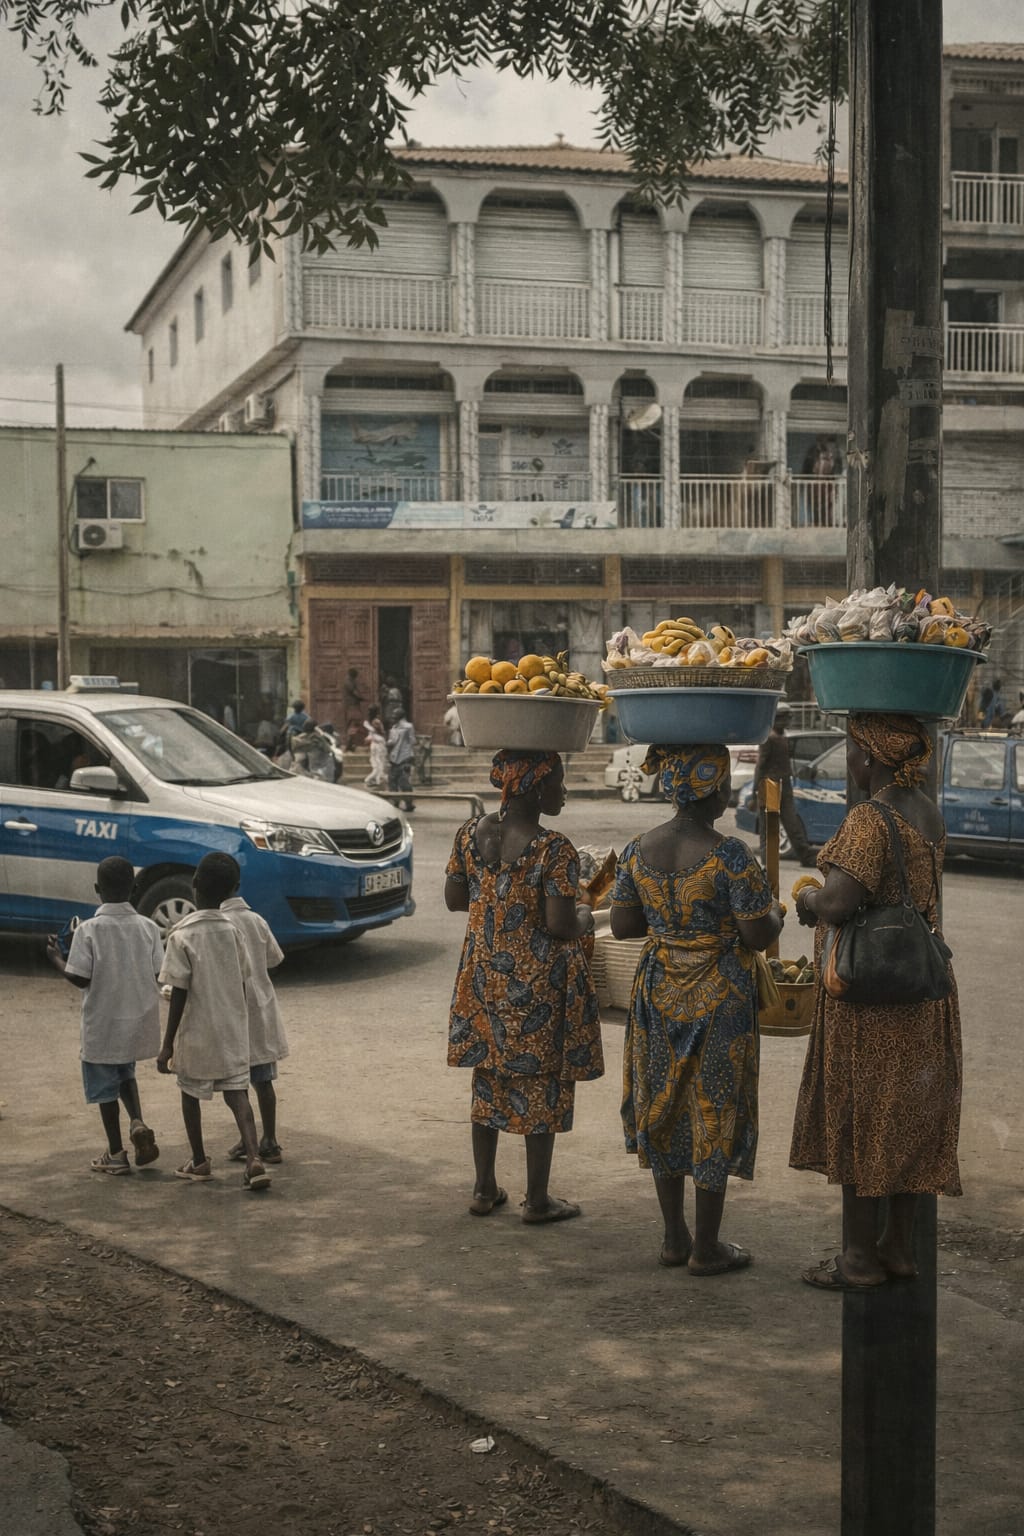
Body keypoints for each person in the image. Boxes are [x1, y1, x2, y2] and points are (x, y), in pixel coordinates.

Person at [790, 714, 962, 1291]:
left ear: (873, 757)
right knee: (908, 1119)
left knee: (862, 1118)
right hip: (920, 995)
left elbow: (840, 901)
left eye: (852, 754)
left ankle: (859, 1256)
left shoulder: (870, 818)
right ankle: (899, 1247)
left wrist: (810, 898)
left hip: (870, 1002)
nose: (849, 765)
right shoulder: (927, 811)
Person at [611, 746, 783, 1274]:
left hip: (659, 989)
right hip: (719, 996)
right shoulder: (730, 854)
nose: (730, 794)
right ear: (711, 791)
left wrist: (670, 925)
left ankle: (673, 1238)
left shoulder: (638, 850)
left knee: (661, 1103)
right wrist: (774, 911)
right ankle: (706, 1248)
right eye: (726, 784)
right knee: (714, 1107)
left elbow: (622, 927)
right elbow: (756, 933)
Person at [444, 750, 603, 1222]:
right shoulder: (554, 848)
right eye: (559, 782)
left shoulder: (470, 833)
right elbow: (559, 924)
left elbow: (455, 898)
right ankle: (537, 1199)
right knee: (541, 1084)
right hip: (535, 986)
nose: (564, 792)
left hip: (483, 979)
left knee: (488, 1078)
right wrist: (584, 914)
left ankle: (483, 1187)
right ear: (534, 788)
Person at [157, 852, 271, 1191]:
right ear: (229, 891)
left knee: (190, 1092)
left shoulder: (181, 934)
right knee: (238, 1093)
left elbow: (177, 992)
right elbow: (241, 980)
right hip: (231, 1028)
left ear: (193, 885)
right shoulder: (233, 931)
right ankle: (253, 1159)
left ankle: (199, 1159)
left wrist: (166, 1045)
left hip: (197, 1032)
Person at [47, 856, 163, 1175]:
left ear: (97, 889)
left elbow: (80, 978)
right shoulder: (150, 928)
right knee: (126, 1075)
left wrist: (57, 959)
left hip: (102, 1025)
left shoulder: (89, 930)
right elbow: (157, 972)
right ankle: (137, 1120)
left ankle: (115, 1153)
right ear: (136, 888)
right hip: (135, 1022)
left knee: (104, 1090)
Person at [220, 880, 289, 1166]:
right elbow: (275, 959)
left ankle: (247, 1140)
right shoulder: (256, 920)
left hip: (231, 1013)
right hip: (259, 1010)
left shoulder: (218, 925)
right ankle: (269, 1140)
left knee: (237, 1086)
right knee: (264, 1081)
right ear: (237, 885)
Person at [753, 703, 817, 866]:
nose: (786, 722)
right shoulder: (769, 738)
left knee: (792, 823)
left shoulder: (782, 737)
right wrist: (756, 790)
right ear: (775, 719)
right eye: (782, 718)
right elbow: (760, 765)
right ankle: (768, 860)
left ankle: (806, 856)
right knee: (769, 825)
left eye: (787, 718)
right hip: (770, 785)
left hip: (784, 784)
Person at [387, 708, 417, 812]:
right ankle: (396, 801)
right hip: (394, 757)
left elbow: (412, 741)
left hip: (404, 756)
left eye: (395, 716)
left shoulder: (408, 727)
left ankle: (409, 803)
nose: (393, 717)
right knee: (392, 780)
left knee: (404, 781)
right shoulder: (394, 727)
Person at [363, 705, 388, 788]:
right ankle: (370, 779)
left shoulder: (368, 722)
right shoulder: (376, 721)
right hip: (378, 744)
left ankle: (377, 779)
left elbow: (371, 734)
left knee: (378, 762)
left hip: (374, 743)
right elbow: (381, 731)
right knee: (379, 762)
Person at [343, 667, 366, 749]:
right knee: (354, 722)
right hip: (352, 705)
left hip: (352, 705)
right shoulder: (348, 682)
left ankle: (351, 743)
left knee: (354, 723)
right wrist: (361, 697)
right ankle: (349, 743)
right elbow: (354, 692)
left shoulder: (351, 681)